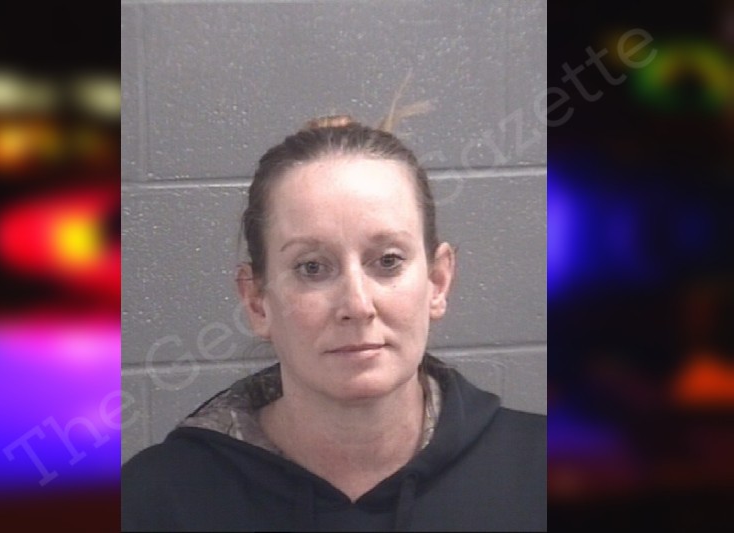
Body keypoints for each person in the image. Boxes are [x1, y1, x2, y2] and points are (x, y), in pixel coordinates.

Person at [121, 113, 546, 531]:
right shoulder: (154, 501)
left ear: (437, 281)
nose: (357, 305)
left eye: (388, 261)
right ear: (256, 301)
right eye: (311, 268)